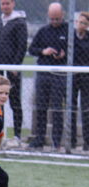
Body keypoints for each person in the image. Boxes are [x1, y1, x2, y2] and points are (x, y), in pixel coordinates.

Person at [28, 3, 68, 150]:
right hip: (43, 73)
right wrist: (43, 51)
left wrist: (64, 54)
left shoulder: (68, 30)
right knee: (41, 107)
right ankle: (39, 139)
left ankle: (56, 141)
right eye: (52, 19)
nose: (54, 22)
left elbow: (76, 50)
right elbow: (32, 49)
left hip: (60, 74)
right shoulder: (43, 31)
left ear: (62, 15)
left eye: (57, 19)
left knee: (57, 108)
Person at [0, 0, 27, 141]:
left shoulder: (19, 23)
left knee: (14, 102)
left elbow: (22, 46)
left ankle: (17, 135)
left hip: (12, 70)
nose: (5, 6)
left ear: (13, 4)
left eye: (7, 3)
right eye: (2, 4)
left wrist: (15, 65)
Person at [71, 12, 89, 151]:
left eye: (83, 23)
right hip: (72, 77)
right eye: (78, 22)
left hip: (86, 77)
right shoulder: (70, 37)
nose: (79, 25)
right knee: (71, 107)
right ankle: (71, 140)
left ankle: (87, 142)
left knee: (86, 109)